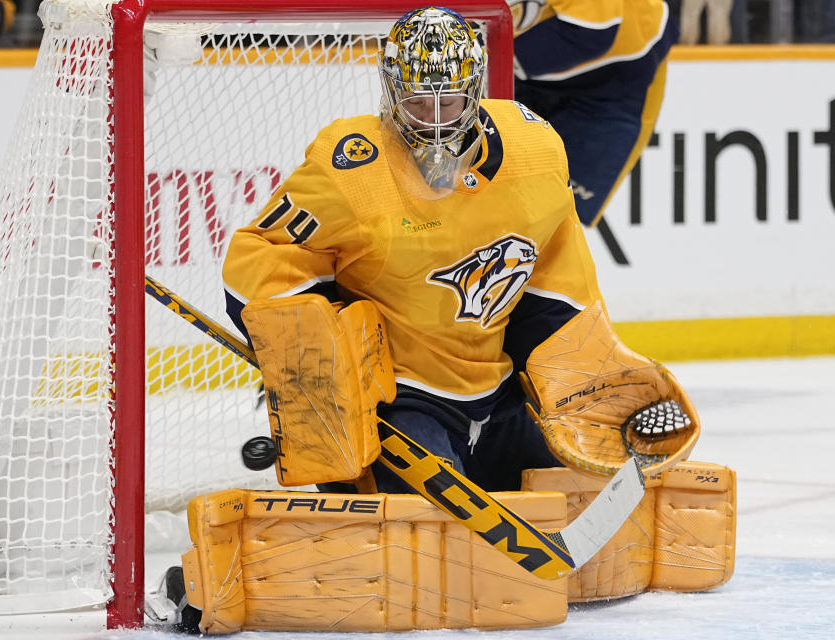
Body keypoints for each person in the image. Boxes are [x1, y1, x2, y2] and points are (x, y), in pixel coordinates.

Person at [221, 6, 694, 496]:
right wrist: (313, 364)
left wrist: (587, 372)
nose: (434, 123)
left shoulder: (533, 149)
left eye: (448, 102)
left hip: (499, 394)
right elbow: (260, 258)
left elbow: (556, 283)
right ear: (391, 90)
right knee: (427, 531)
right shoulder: (351, 169)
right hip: (399, 400)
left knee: (584, 496)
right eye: (418, 103)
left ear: (475, 90)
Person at [505, 0, 679, 263]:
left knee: (557, 216)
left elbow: (591, 32)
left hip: (616, 78)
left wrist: (488, 57)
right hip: (523, 67)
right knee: (492, 194)